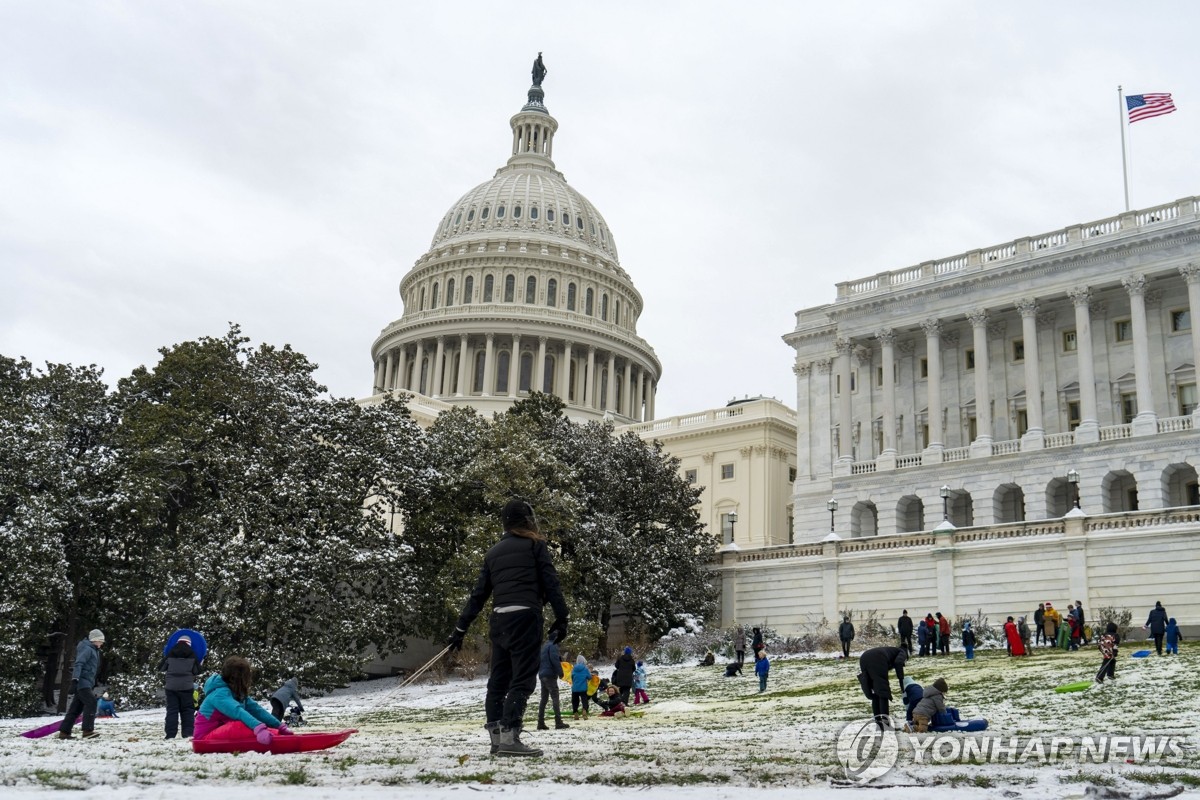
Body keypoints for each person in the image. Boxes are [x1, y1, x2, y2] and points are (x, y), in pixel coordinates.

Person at [447, 498, 569, 758]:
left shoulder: (492, 553)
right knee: (522, 679)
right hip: (526, 617)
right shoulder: (536, 546)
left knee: (498, 681)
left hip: (500, 619)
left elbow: (478, 596)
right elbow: (551, 583)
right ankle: (510, 737)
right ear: (528, 520)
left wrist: (460, 629)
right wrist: (562, 618)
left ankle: (496, 740)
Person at [194, 656, 289, 747]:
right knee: (239, 725)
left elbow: (257, 710)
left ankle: (275, 733)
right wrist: (259, 728)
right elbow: (237, 711)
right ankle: (275, 735)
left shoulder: (237, 693)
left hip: (220, 732)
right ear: (237, 678)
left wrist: (279, 726)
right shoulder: (219, 695)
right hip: (204, 739)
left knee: (244, 724)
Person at [58, 629, 105, 740]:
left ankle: (64, 732)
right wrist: (75, 680)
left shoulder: (93, 649)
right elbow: (79, 664)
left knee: (75, 709)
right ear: (95, 640)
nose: (102, 643)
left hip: (86, 682)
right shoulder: (87, 649)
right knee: (91, 703)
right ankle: (87, 731)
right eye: (101, 641)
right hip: (82, 682)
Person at [160, 633, 201, 739]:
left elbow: (161, 667)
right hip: (187, 687)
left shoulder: (170, 653)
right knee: (187, 710)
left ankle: (170, 734)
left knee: (172, 710)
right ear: (189, 644)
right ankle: (188, 734)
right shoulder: (192, 654)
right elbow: (197, 671)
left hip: (171, 687)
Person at [857, 646, 907, 728]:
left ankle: (878, 722)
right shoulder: (902, 652)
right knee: (883, 692)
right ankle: (885, 723)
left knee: (875, 694)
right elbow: (898, 663)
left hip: (864, 657)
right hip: (878, 658)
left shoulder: (891, 650)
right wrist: (901, 682)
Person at [536, 634, 569, 730]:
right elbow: (554, 660)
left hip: (542, 674)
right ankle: (558, 722)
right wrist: (560, 672)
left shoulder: (544, 646)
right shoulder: (553, 646)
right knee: (555, 697)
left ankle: (540, 722)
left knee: (544, 699)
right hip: (550, 675)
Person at [570, 655, 591, 719]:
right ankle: (584, 710)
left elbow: (572, 677)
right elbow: (589, 677)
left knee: (575, 701)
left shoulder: (573, 668)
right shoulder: (585, 669)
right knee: (584, 700)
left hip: (575, 688)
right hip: (583, 688)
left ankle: (575, 713)